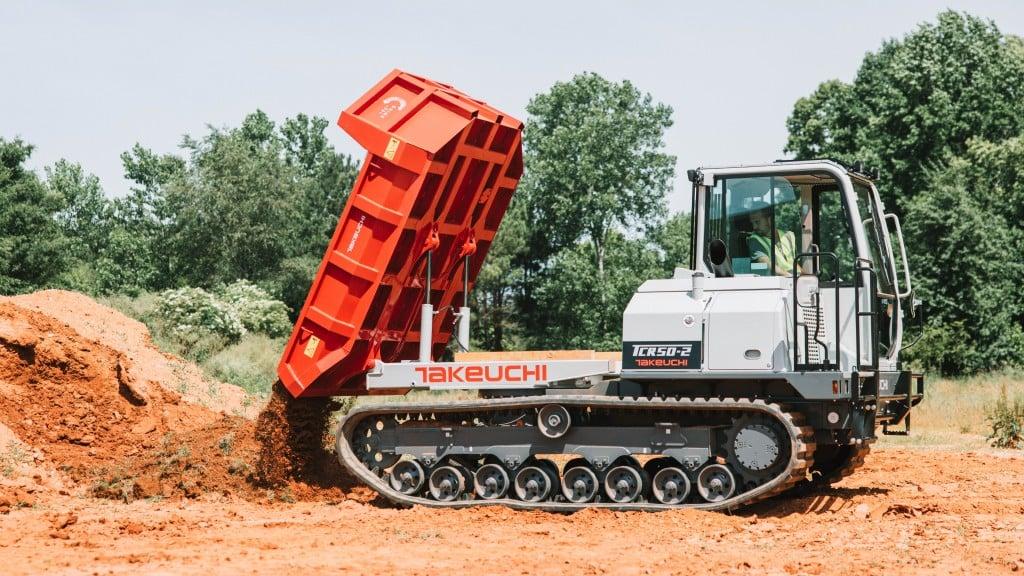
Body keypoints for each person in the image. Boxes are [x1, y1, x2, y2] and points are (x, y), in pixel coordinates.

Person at [747, 206, 800, 276]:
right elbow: (768, 265)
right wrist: (790, 277)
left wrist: (805, 275)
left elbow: (796, 264)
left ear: (770, 220)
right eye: (752, 223)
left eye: (757, 222)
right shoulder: (755, 239)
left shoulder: (788, 236)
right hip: (777, 280)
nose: (754, 227)